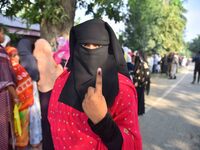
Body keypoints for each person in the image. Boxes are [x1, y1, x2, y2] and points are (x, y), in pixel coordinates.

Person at [48, 19, 142, 150]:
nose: (90, 51)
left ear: (109, 49)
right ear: (76, 47)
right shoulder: (62, 81)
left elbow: (132, 142)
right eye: (85, 45)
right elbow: (53, 123)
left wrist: (103, 122)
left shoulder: (122, 89)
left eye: (98, 46)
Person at [33, 39, 63, 150]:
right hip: (55, 99)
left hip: (42, 98)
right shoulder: (56, 66)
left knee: (45, 125)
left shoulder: (35, 64)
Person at [5, 46, 34, 149]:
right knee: (21, 127)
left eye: (17, 55)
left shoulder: (7, 68)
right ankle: (21, 146)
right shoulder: (16, 67)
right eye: (13, 55)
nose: (16, 57)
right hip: (21, 104)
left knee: (14, 127)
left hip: (11, 104)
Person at [17, 39, 42, 148]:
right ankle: (35, 140)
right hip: (31, 89)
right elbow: (36, 76)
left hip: (18, 93)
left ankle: (22, 141)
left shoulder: (15, 58)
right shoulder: (31, 58)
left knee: (22, 116)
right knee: (34, 114)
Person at [0, 25, 18, 150]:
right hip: (2, 96)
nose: (2, 35)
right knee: (2, 130)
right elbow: (6, 79)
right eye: (1, 32)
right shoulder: (1, 52)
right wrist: (16, 97)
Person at [132, 51, 150, 116]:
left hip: (140, 83)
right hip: (139, 82)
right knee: (139, 97)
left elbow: (146, 74)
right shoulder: (141, 63)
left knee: (139, 97)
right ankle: (139, 110)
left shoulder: (143, 63)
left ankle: (139, 111)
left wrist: (139, 82)